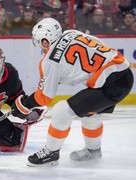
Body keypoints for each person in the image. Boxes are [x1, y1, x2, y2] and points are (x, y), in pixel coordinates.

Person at [11, 18, 134, 166]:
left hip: (111, 85)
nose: (40, 46)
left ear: (45, 41)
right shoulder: (71, 33)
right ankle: (93, 152)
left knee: (61, 111)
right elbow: (98, 44)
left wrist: (25, 103)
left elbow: (45, 98)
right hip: (124, 74)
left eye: (39, 42)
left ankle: (51, 152)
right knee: (90, 115)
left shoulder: (49, 61)